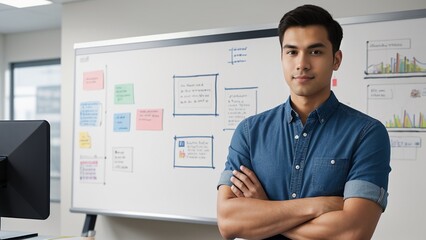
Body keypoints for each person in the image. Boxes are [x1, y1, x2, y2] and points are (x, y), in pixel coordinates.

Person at [216, 4, 391, 240]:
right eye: (292, 52)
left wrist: (265, 210)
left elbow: (353, 232)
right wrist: (318, 206)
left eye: (315, 52)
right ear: (281, 58)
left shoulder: (367, 133)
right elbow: (228, 222)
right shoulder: (249, 132)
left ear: (336, 60)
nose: (302, 63)